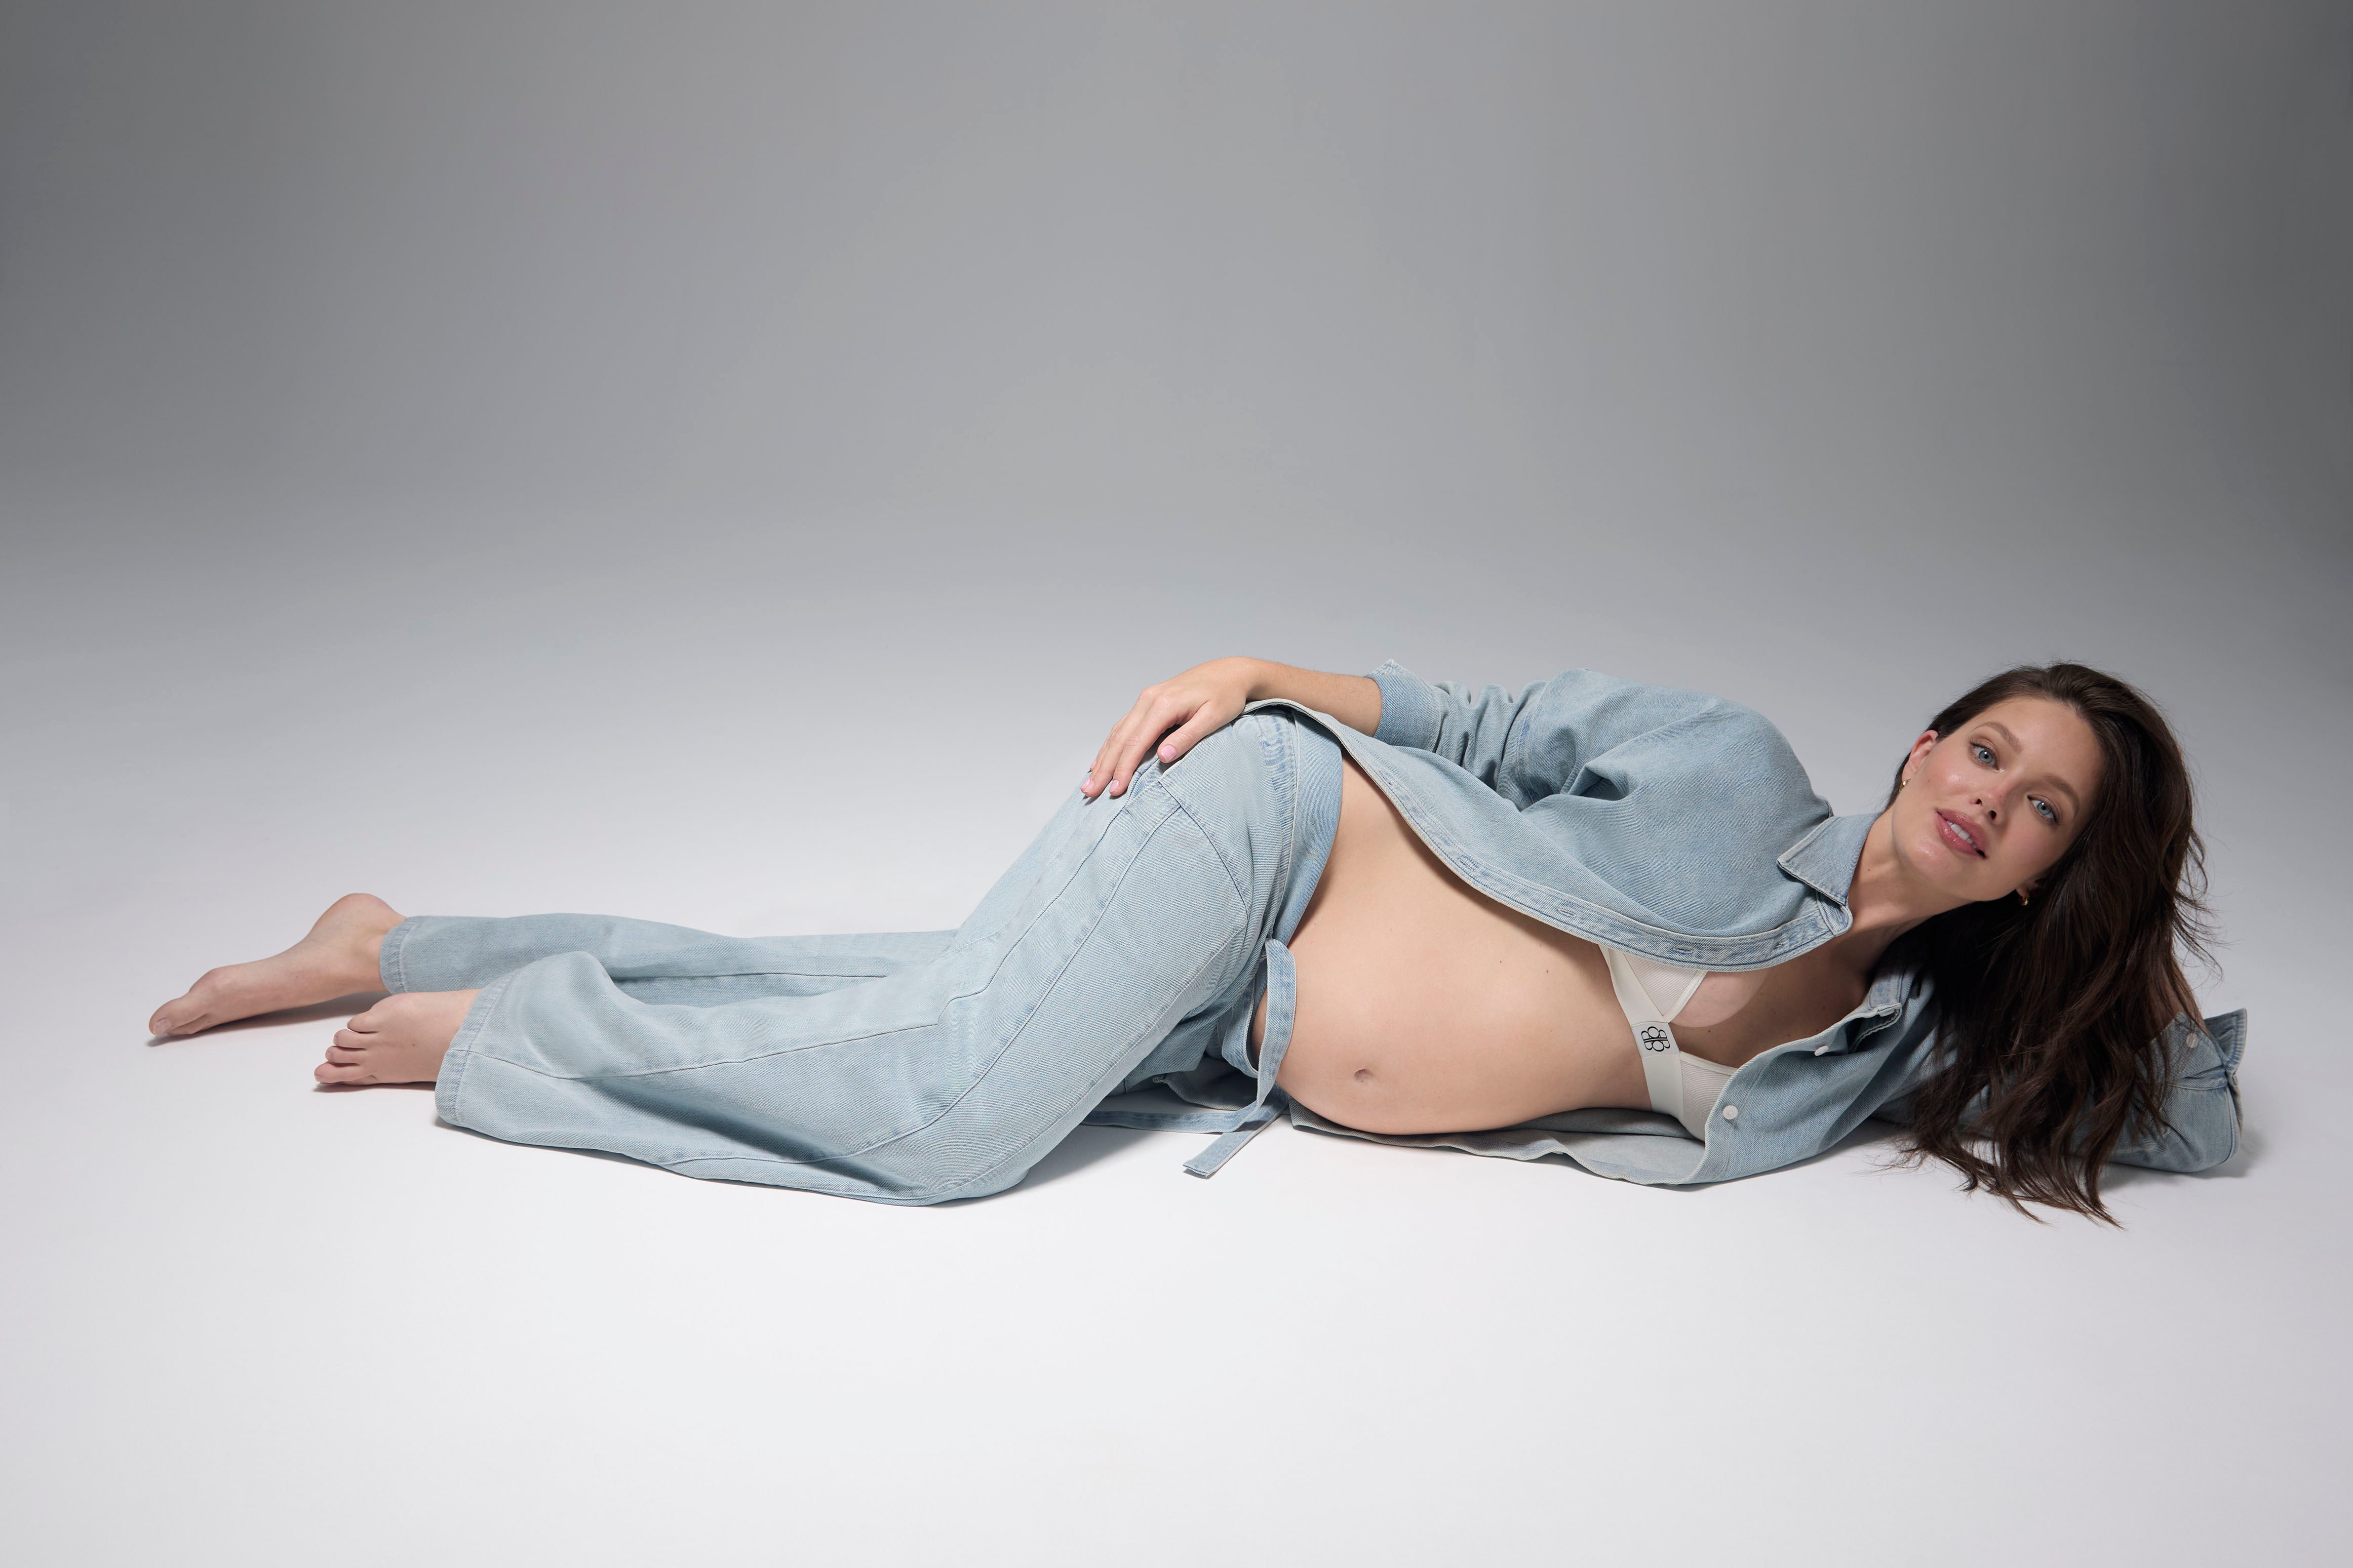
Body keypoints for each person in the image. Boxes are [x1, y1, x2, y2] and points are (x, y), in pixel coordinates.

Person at [147, 656, 2245, 1220]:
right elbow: (1484, 722)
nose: (1983, 789)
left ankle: (388, 934)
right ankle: (494, 1036)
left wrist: (2115, 921)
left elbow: (2182, 1110)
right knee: (954, 1116)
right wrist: (1259, 667)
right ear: (1919, 738)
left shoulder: (1892, 1045)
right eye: (1984, 745)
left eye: (2040, 806)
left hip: (1240, 1015)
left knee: (878, 993)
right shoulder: (1734, 770)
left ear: (2048, 871)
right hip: (1275, 826)